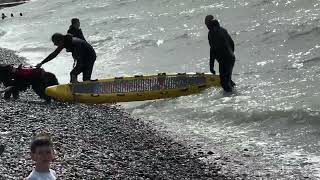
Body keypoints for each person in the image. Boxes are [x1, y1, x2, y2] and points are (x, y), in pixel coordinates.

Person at [205, 15, 236, 92]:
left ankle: (232, 99)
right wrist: (231, 54)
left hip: (224, 60)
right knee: (227, 80)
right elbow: (232, 43)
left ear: (209, 24)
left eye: (207, 25)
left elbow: (212, 50)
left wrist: (211, 66)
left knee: (224, 82)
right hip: (230, 58)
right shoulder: (223, 30)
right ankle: (235, 93)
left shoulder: (211, 33)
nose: (207, 27)